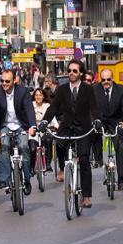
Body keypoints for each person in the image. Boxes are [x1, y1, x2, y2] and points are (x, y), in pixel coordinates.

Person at [41, 60, 101, 208]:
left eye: (75, 71)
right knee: (59, 144)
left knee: (84, 159)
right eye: (69, 70)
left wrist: (97, 120)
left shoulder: (88, 89)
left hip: (83, 128)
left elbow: (94, 108)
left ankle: (86, 196)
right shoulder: (62, 90)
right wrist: (44, 122)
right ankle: (63, 170)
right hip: (67, 126)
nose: (71, 73)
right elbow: (53, 108)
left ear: (80, 73)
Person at [0, 69, 36, 195]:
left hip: (21, 125)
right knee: (4, 146)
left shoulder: (23, 91)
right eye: (2, 81)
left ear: (14, 80)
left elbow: (29, 109)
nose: (4, 83)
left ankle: (26, 179)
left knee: (24, 147)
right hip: (5, 126)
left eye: (7, 81)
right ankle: (4, 178)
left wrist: (32, 126)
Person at [94, 69, 123, 190]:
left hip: (116, 122)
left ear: (112, 79)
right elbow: (91, 108)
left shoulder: (120, 90)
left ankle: (120, 178)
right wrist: (93, 121)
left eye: (108, 79)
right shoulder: (95, 89)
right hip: (101, 121)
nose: (106, 82)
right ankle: (98, 160)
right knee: (93, 137)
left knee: (121, 147)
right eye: (103, 79)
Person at [31, 88, 57, 172]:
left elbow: (52, 118)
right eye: (36, 95)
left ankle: (48, 164)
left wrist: (57, 126)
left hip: (45, 129)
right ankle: (32, 166)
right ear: (34, 96)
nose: (38, 97)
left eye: (40, 95)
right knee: (32, 146)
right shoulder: (31, 105)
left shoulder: (47, 106)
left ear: (44, 97)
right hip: (34, 130)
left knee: (48, 140)